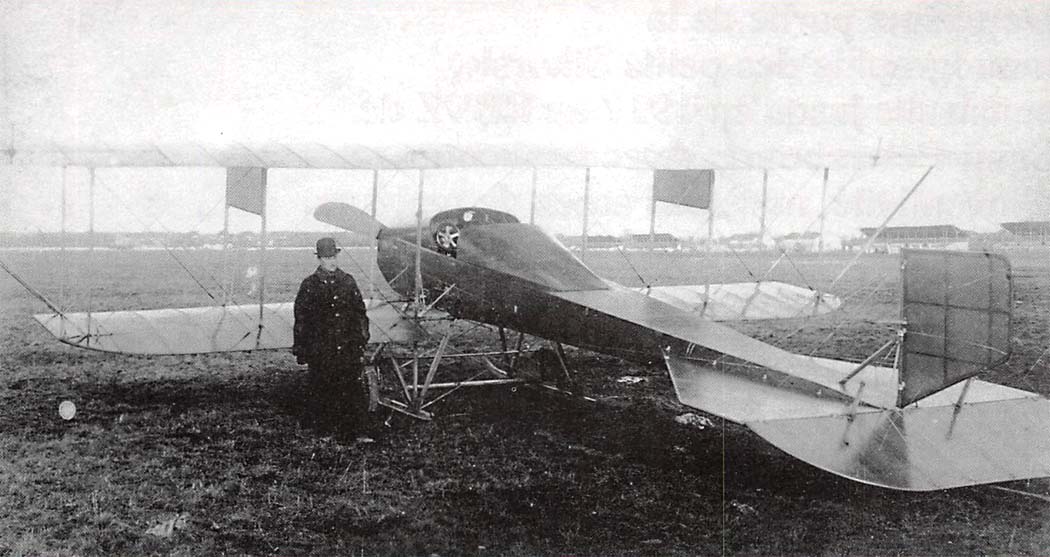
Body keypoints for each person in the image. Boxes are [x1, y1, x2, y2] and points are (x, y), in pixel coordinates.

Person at [293, 237, 372, 441]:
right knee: (323, 388)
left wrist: (361, 339)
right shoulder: (309, 285)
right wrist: (303, 349)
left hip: (347, 346)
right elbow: (301, 317)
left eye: (334, 257)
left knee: (352, 388)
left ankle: (355, 431)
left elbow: (359, 313)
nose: (332, 262)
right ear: (319, 259)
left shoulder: (348, 281)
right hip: (322, 348)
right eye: (327, 258)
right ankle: (325, 431)